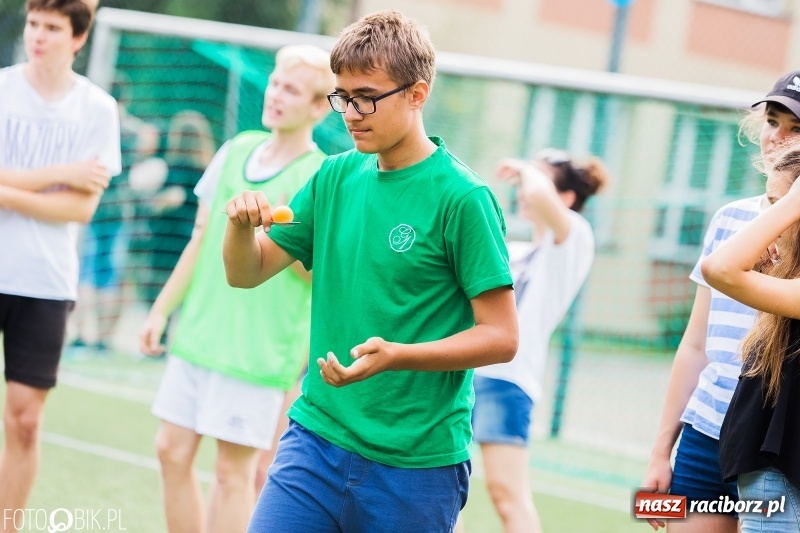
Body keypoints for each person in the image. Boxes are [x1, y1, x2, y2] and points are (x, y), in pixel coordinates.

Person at [223, 10, 519, 533]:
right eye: (342, 97)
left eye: (366, 97)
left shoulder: (464, 198)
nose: (351, 113)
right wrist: (240, 228)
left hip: (416, 469)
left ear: (417, 94)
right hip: (315, 440)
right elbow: (246, 273)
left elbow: (501, 337)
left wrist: (398, 356)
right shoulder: (333, 176)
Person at [139, 44, 334, 533]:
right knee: (170, 452)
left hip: (257, 351)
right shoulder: (237, 148)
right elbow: (200, 237)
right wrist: (161, 310)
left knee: (233, 475)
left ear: (318, 107)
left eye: (292, 90)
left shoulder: (319, 176)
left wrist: (276, 238)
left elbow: (319, 275)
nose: (276, 95)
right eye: (275, 83)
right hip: (199, 334)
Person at [641, 70, 800, 532]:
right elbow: (696, 346)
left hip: (770, 442)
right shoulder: (730, 218)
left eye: (796, 128)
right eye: (772, 121)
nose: (778, 137)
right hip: (705, 433)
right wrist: (660, 453)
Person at [0, 0, 121, 526]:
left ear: (78, 38)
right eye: (33, 23)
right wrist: (63, 173)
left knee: (25, 422)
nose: (38, 35)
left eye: (52, 27)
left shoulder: (97, 109)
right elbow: (68, 190)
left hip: (45, 282)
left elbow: (81, 208)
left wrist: (7, 190)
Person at [463, 150, 608, 533]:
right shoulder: (515, 251)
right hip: (466, 372)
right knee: (443, 486)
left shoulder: (575, 237)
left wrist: (525, 168)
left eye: (537, 180)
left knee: (505, 493)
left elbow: (540, 195)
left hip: (508, 380)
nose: (524, 190)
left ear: (567, 198)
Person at [701, 141, 800, 532]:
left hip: (785, 478)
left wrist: (792, 202)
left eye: (775, 206)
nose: (765, 221)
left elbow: (720, 268)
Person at [71, 74, 159, 352]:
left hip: (93, 202)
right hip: (121, 207)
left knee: (87, 270)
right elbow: (147, 147)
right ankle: (103, 337)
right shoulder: (134, 130)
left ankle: (82, 333)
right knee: (109, 274)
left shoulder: (94, 125)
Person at [140, 110, 215, 307]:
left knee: (158, 298)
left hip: (164, 243)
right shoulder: (209, 172)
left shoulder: (171, 168)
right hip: (192, 241)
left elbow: (168, 200)